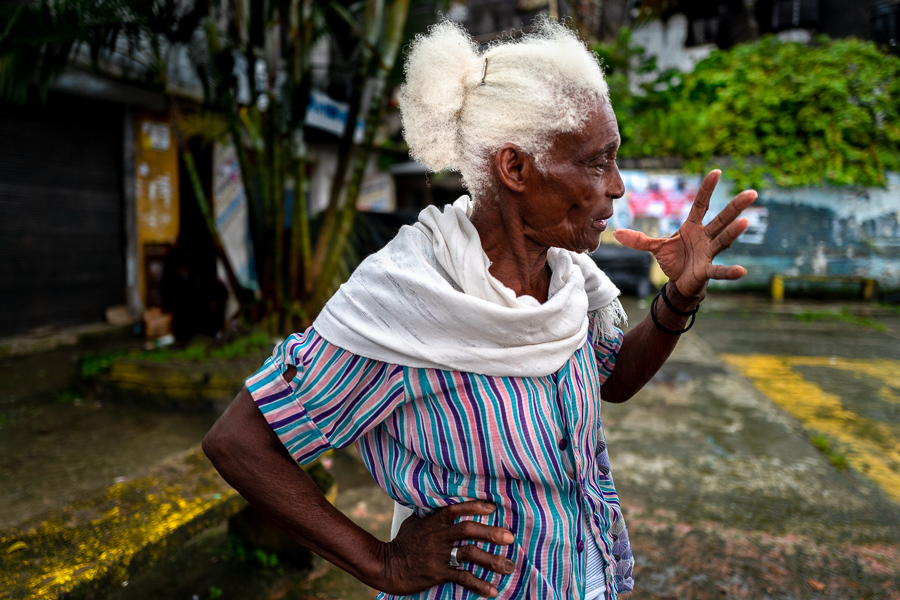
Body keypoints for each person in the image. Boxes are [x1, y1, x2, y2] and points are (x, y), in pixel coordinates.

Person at [202, 19, 756, 600]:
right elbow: (240, 442)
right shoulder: (407, 295)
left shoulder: (567, 276)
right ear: (515, 168)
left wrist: (678, 297)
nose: (617, 187)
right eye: (597, 162)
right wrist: (382, 563)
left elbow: (611, 379)